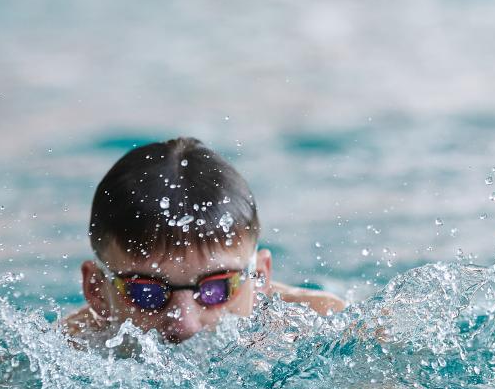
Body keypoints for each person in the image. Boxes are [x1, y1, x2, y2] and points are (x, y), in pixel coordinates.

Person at [66, 137, 345, 345]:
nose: (184, 324)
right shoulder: (71, 349)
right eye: (146, 293)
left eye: (217, 288)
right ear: (97, 289)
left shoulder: (324, 325)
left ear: (259, 277)